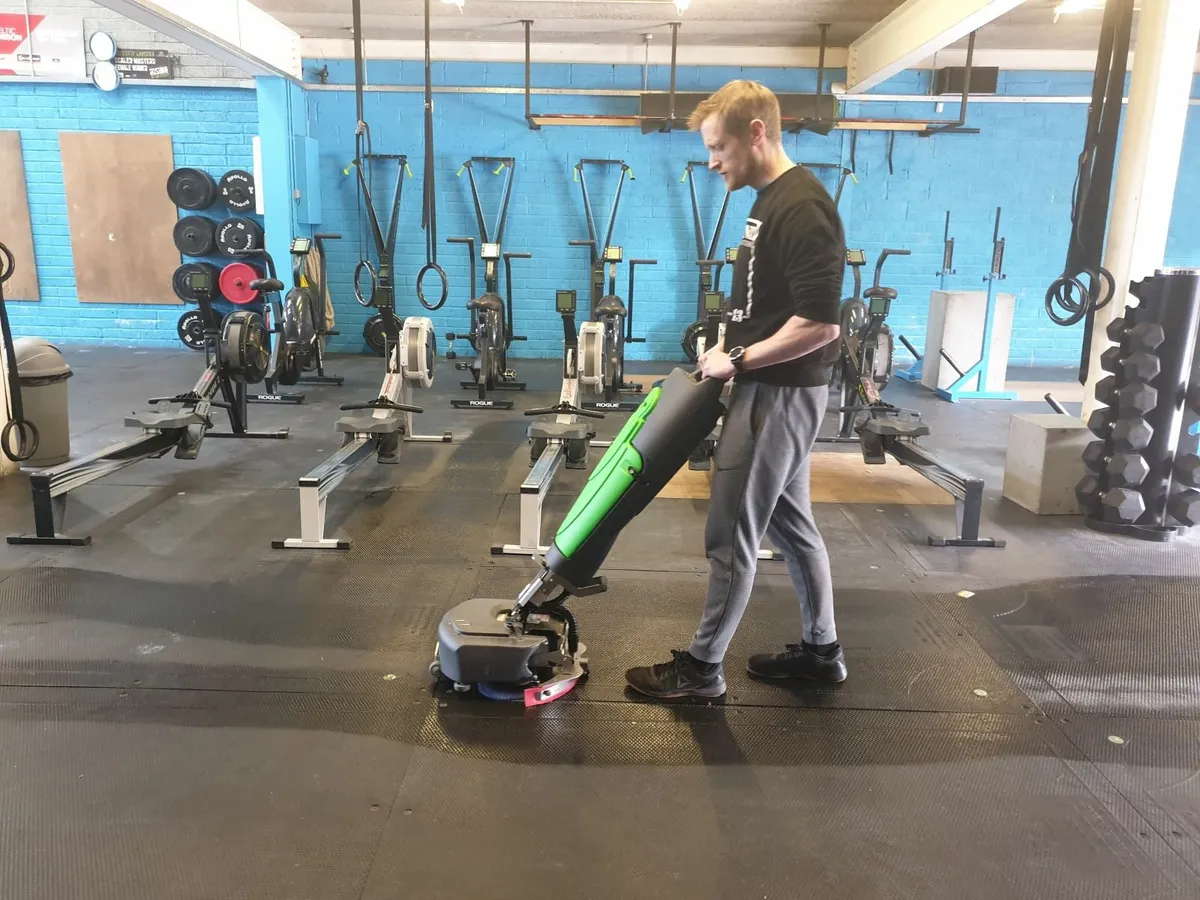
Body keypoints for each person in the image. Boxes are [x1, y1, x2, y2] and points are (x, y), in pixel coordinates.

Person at [625, 80, 848, 700]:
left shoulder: (802, 206)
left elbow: (822, 322)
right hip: (767, 385)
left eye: (719, 147)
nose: (712, 160)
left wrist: (740, 360)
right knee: (790, 523)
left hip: (778, 394)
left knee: (729, 534)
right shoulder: (767, 198)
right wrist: (726, 345)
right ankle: (821, 651)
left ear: (757, 133)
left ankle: (701, 669)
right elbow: (769, 304)